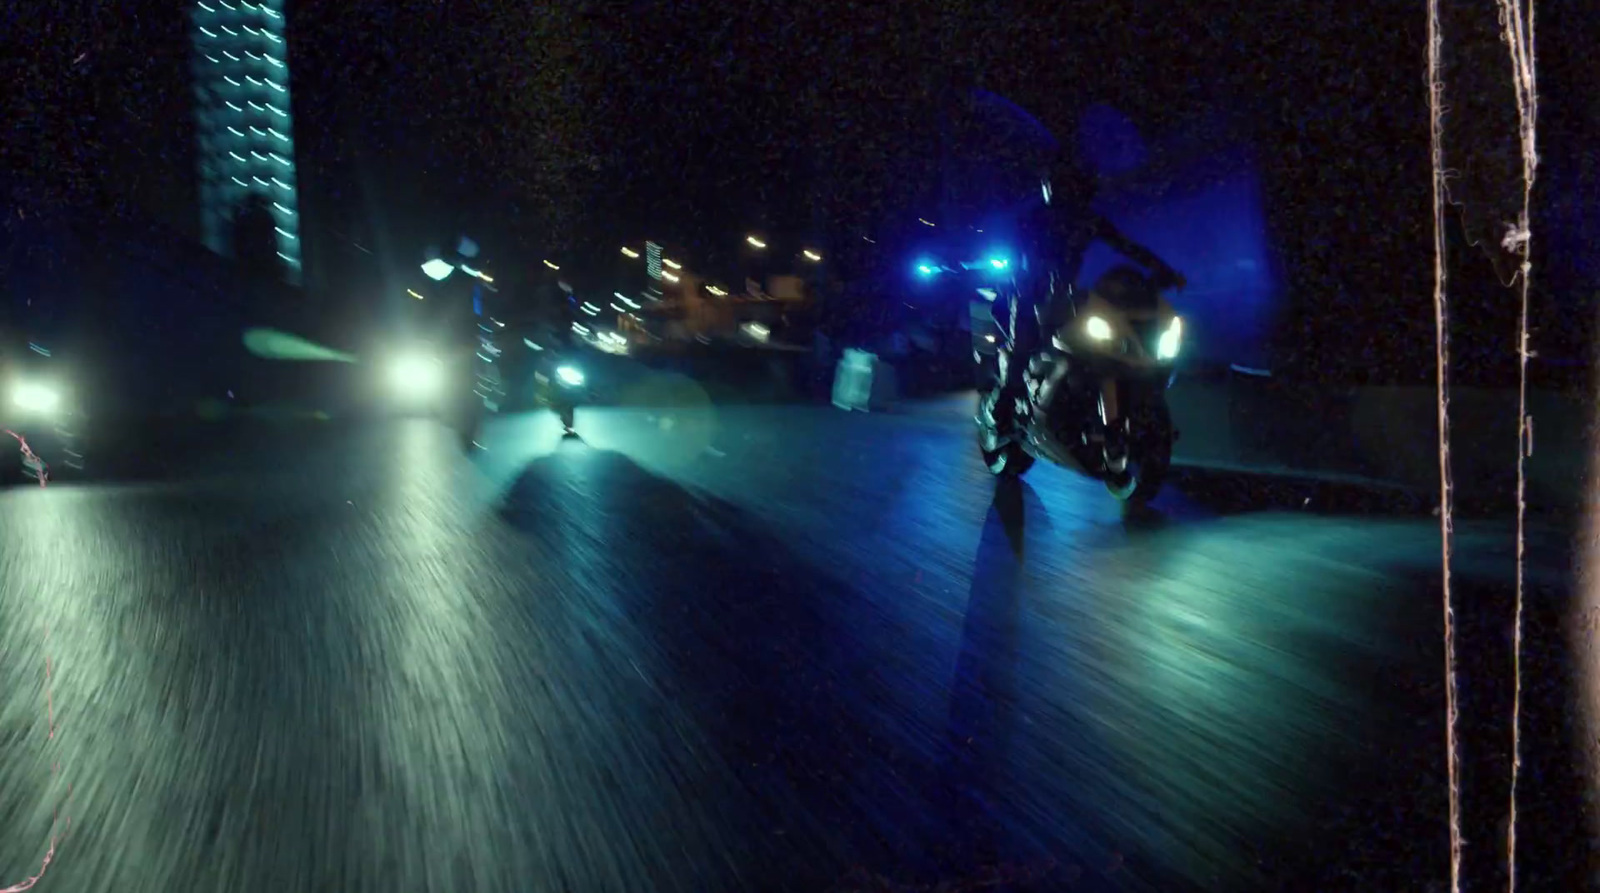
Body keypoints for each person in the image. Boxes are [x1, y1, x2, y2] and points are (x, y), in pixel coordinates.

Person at [988, 148, 1186, 439]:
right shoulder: (1033, 219)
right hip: (1030, 294)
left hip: (1065, 296)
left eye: (1069, 184)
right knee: (1022, 347)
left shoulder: (1087, 220)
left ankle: (1077, 405)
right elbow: (1021, 259)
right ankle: (1001, 414)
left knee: (1093, 342)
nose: (1063, 190)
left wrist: (1163, 270)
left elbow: (1127, 247)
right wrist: (1034, 274)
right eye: (1058, 183)